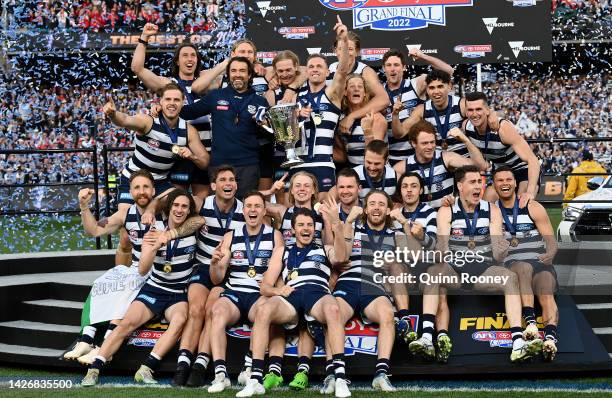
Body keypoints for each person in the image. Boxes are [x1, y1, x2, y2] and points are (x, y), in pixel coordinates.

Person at [409, 166, 543, 362]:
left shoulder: (492, 210)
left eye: (480, 182)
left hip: (482, 270)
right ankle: (428, 337)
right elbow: (443, 251)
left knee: (510, 278)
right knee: (433, 272)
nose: (478, 187)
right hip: (455, 270)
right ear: (460, 186)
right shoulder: (447, 210)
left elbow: (497, 255)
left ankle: (517, 342)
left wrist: (503, 249)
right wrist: (425, 240)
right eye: (472, 182)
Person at [81, 189, 198, 386]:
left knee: (179, 321)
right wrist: (150, 249)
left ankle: (146, 368)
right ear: (169, 208)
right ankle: (94, 369)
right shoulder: (153, 230)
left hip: (178, 292)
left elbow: (200, 220)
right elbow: (143, 270)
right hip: (155, 288)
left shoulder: (191, 227)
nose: (179, 210)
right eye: (176, 205)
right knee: (126, 324)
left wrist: (169, 236)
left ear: (189, 210)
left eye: (184, 206)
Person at [236, 205, 350, 398]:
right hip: (292, 294)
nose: (306, 229)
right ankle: (254, 378)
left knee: (333, 309)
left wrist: (337, 227)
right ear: (293, 229)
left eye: (310, 225)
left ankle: (340, 378)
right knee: (263, 310)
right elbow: (265, 286)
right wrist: (279, 290)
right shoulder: (282, 250)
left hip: (317, 293)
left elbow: (341, 257)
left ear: (315, 228)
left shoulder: (325, 247)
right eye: (301, 225)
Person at [107, 82, 209, 278]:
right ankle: (120, 283)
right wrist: (113, 115)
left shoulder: (187, 131)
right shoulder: (148, 121)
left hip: (160, 183)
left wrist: (192, 156)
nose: (172, 103)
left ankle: (157, 275)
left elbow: (204, 162)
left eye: (176, 100)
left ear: (182, 103)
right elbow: (126, 120)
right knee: (127, 236)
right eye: (168, 99)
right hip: (133, 180)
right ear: (160, 102)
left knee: (164, 227)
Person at [63, 170, 165, 364]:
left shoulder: (165, 208)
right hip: (136, 268)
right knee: (102, 281)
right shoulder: (126, 213)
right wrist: (84, 206)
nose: (141, 192)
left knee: (128, 288)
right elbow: (94, 230)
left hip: (158, 270)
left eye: (146, 187)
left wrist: (153, 208)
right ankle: (86, 339)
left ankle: (106, 345)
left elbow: (171, 195)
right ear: (131, 192)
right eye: (136, 187)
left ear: (153, 190)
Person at [327, 190, 409, 393]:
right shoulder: (354, 227)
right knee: (333, 314)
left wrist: (406, 223)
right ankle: (334, 374)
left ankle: (381, 374)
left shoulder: (396, 234)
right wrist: (347, 223)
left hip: (374, 285)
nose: (376, 208)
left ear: (389, 210)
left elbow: (414, 258)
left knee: (388, 314)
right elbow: (342, 257)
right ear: (365, 208)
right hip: (348, 283)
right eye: (372, 203)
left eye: (381, 204)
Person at [204, 191, 284, 393]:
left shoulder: (275, 236)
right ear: (243, 210)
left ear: (264, 211)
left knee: (263, 313)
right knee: (217, 311)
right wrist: (214, 264)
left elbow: (278, 270)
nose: (253, 210)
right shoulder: (231, 236)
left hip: (260, 294)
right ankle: (220, 375)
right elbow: (217, 278)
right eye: (249, 206)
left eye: (257, 206)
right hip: (234, 293)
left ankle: (249, 366)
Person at [131, 23, 219, 198]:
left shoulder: (210, 82)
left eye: (193, 55)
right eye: (185, 55)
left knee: (202, 201)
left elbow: (238, 72)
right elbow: (137, 69)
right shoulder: (168, 84)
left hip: (204, 154)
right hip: (179, 154)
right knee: (177, 201)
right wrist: (144, 38)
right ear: (178, 61)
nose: (189, 59)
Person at [493, 166, 559, 362]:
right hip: (514, 263)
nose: (505, 183)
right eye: (500, 180)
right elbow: (495, 255)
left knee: (546, 285)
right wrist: (501, 250)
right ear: (494, 185)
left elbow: (551, 240)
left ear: (515, 183)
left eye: (508, 180)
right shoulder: (492, 212)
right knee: (523, 267)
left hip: (539, 262)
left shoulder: (532, 206)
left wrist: (551, 252)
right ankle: (530, 323)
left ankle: (550, 339)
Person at [180, 57, 270, 199]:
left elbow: (270, 136)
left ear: (249, 75)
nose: (237, 74)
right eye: (233, 70)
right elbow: (187, 112)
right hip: (219, 165)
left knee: (244, 210)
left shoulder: (260, 101)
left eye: (242, 70)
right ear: (228, 74)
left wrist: (264, 125)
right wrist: (162, 108)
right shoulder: (215, 96)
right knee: (220, 208)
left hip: (248, 166)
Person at [291, 16, 350, 196]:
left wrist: (344, 40)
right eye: (311, 67)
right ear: (306, 71)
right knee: (299, 214)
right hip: (298, 162)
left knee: (324, 210)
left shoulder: (332, 93)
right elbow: (285, 132)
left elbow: (343, 70)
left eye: (319, 66)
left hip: (323, 163)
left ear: (327, 71)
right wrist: (295, 116)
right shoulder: (295, 97)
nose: (315, 69)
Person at [463, 92, 541, 206]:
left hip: (522, 169)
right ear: (466, 112)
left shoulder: (502, 128)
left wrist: (530, 192)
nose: (474, 114)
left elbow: (532, 160)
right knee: (485, 206)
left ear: (487, 110)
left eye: (479, 109)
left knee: (522, 204)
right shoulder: (466, 128)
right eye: (470, 110)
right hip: (500, 171)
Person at [382, 48, 454, 165]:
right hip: (392, 157)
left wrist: (423, 56)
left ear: (404, 67)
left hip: (420, 156)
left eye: (396, 65)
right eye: (389, 65)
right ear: (383, 68)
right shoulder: (379, 93)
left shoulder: (415, 84)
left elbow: (448, 71)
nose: (393, 69)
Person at [393, 120, 488, 208]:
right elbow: (394, 200)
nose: (430, 147)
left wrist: (465, 140)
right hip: (419, 219)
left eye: (432, 142)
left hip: (446, 214)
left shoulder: (447, 158)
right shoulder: (401, 168)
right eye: (425, 143)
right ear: (413, 143)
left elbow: (480, 166)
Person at [326, 31, 390, 135]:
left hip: (361, 125)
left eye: (350, 49)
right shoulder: (329, 69)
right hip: (335, 126)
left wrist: (352, 116)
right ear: (335, 50)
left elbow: (383, 99)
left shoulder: (365, 71)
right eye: (341, 49)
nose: (345, 53)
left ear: (357, 52)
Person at [340, 74, 387, 168]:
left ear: (365, 93)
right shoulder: (342, 119)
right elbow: (342, 157)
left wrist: (367, 131)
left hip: (373, 172)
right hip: (352, 173)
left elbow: (376, 154)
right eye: (352, 86)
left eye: (360, 86)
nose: (356, 89)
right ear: (345, 92)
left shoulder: (376, 118)